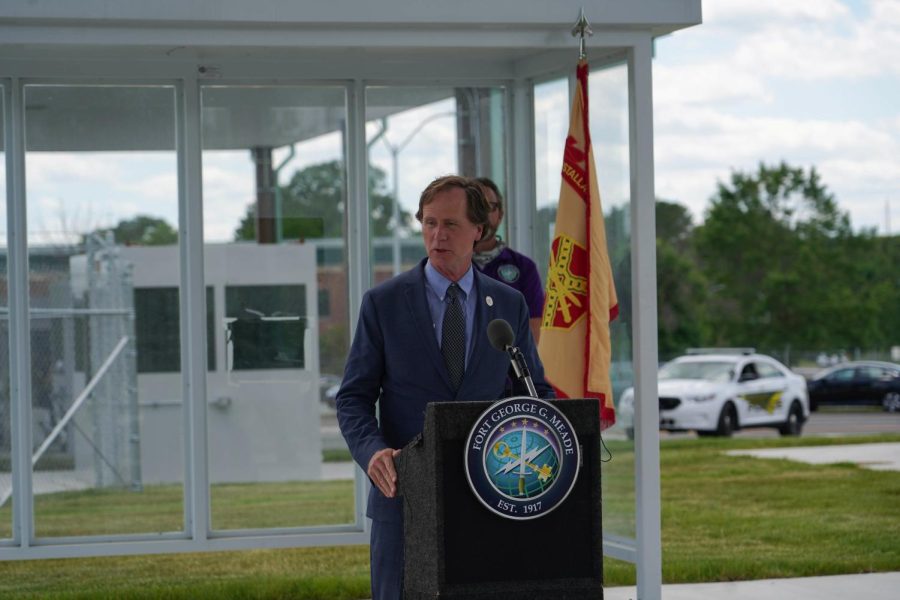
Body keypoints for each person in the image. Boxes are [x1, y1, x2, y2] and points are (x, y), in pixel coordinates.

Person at [336, 175, 554, 600]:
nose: (437, 236)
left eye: (450, 225)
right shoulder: (383, 302)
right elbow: (352, 397)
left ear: (479, 231)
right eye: (429, 223)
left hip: (489, 499)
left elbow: (536, 394)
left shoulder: (508, 304)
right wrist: (372, 451)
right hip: (404, 498)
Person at [472, 177, 545, 342]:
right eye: (476, 207)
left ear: (500, 215)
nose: (482, 214)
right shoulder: (448, 266)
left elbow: (534, 328)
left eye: (488, 207)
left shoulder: (524, 267)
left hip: (509, 364)